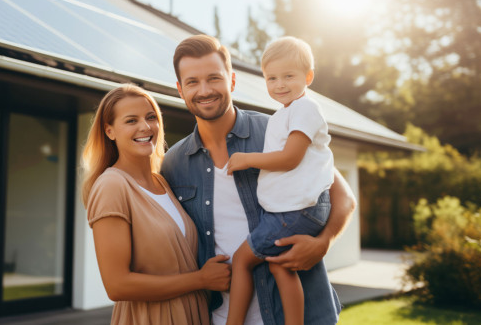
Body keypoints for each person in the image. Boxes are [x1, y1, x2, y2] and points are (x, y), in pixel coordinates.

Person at [161, 34, 356, 325]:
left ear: (232, 81)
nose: (204, 90)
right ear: (180, 89)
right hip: (221, 314)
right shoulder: (174, 163)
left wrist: (323, 243)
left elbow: (344, 198)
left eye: (214, 78)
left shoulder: (277, 130)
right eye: (192, 82)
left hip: (297, 313)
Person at [82, 84, 231, 325]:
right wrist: (201, 280)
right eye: (131, 121)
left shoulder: (162, 181)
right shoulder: (112, 185)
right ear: (109, 131)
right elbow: (117, 285)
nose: (145, 126)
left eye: (151, 117)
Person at [225, 37, 334, 325]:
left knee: (242, 260)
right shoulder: (284, 114)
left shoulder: (304, 109)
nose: (279, 84)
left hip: (294, 211)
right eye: (271, 78)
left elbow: (290, 158)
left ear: (308, 77)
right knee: (281, 267)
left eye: (289, 76)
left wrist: (247, 159)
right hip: (295, 208)